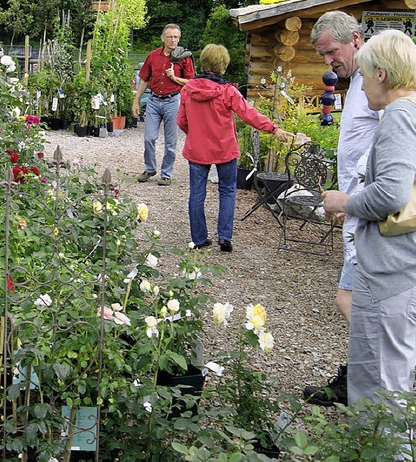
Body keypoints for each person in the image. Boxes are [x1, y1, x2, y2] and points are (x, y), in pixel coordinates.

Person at [321, 29, 416, 421]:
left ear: (380, 73)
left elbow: (391, 195)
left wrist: (346, 201)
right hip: (414, 262)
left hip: (397, 273)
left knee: (383, 393)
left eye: (363, 76)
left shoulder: (399, 115)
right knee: (379, 383)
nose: (360, 88)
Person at [303, 11, 382, 406]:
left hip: (368, 214)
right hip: (356, 209)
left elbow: (390, 147)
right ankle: (361, 380)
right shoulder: (358, 81)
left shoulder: (375, 81)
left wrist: (356, 199)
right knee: (357, 302)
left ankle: (374, 382)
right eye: (321, 55)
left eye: (331, 51)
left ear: (354, 38)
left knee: (349, 301)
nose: (328, 62)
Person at [176, 44, 292, 252]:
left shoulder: (188, 89)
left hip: (197, 148)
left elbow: (182, 121)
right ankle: (225, 236)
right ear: (223, 65)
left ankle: (199, 238)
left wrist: (195, 135)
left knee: (196, 193)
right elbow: (249, 114)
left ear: (203, 62)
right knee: (227, 190)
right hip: (225, 147)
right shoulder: (228, 91)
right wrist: (274, 129)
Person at [133, 24, 195, 186]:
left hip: (173, 101)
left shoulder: (183, 57)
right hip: (153, 100)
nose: (173, 40)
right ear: (163, 38)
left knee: (170, 141)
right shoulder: (153, 56)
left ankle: (166, 174)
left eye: (176, 37)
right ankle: (150, 168)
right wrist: (136, 100)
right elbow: (144, 79)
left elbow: (190, 82)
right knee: (149, 138)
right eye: (170, 37)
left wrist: (174, 78)